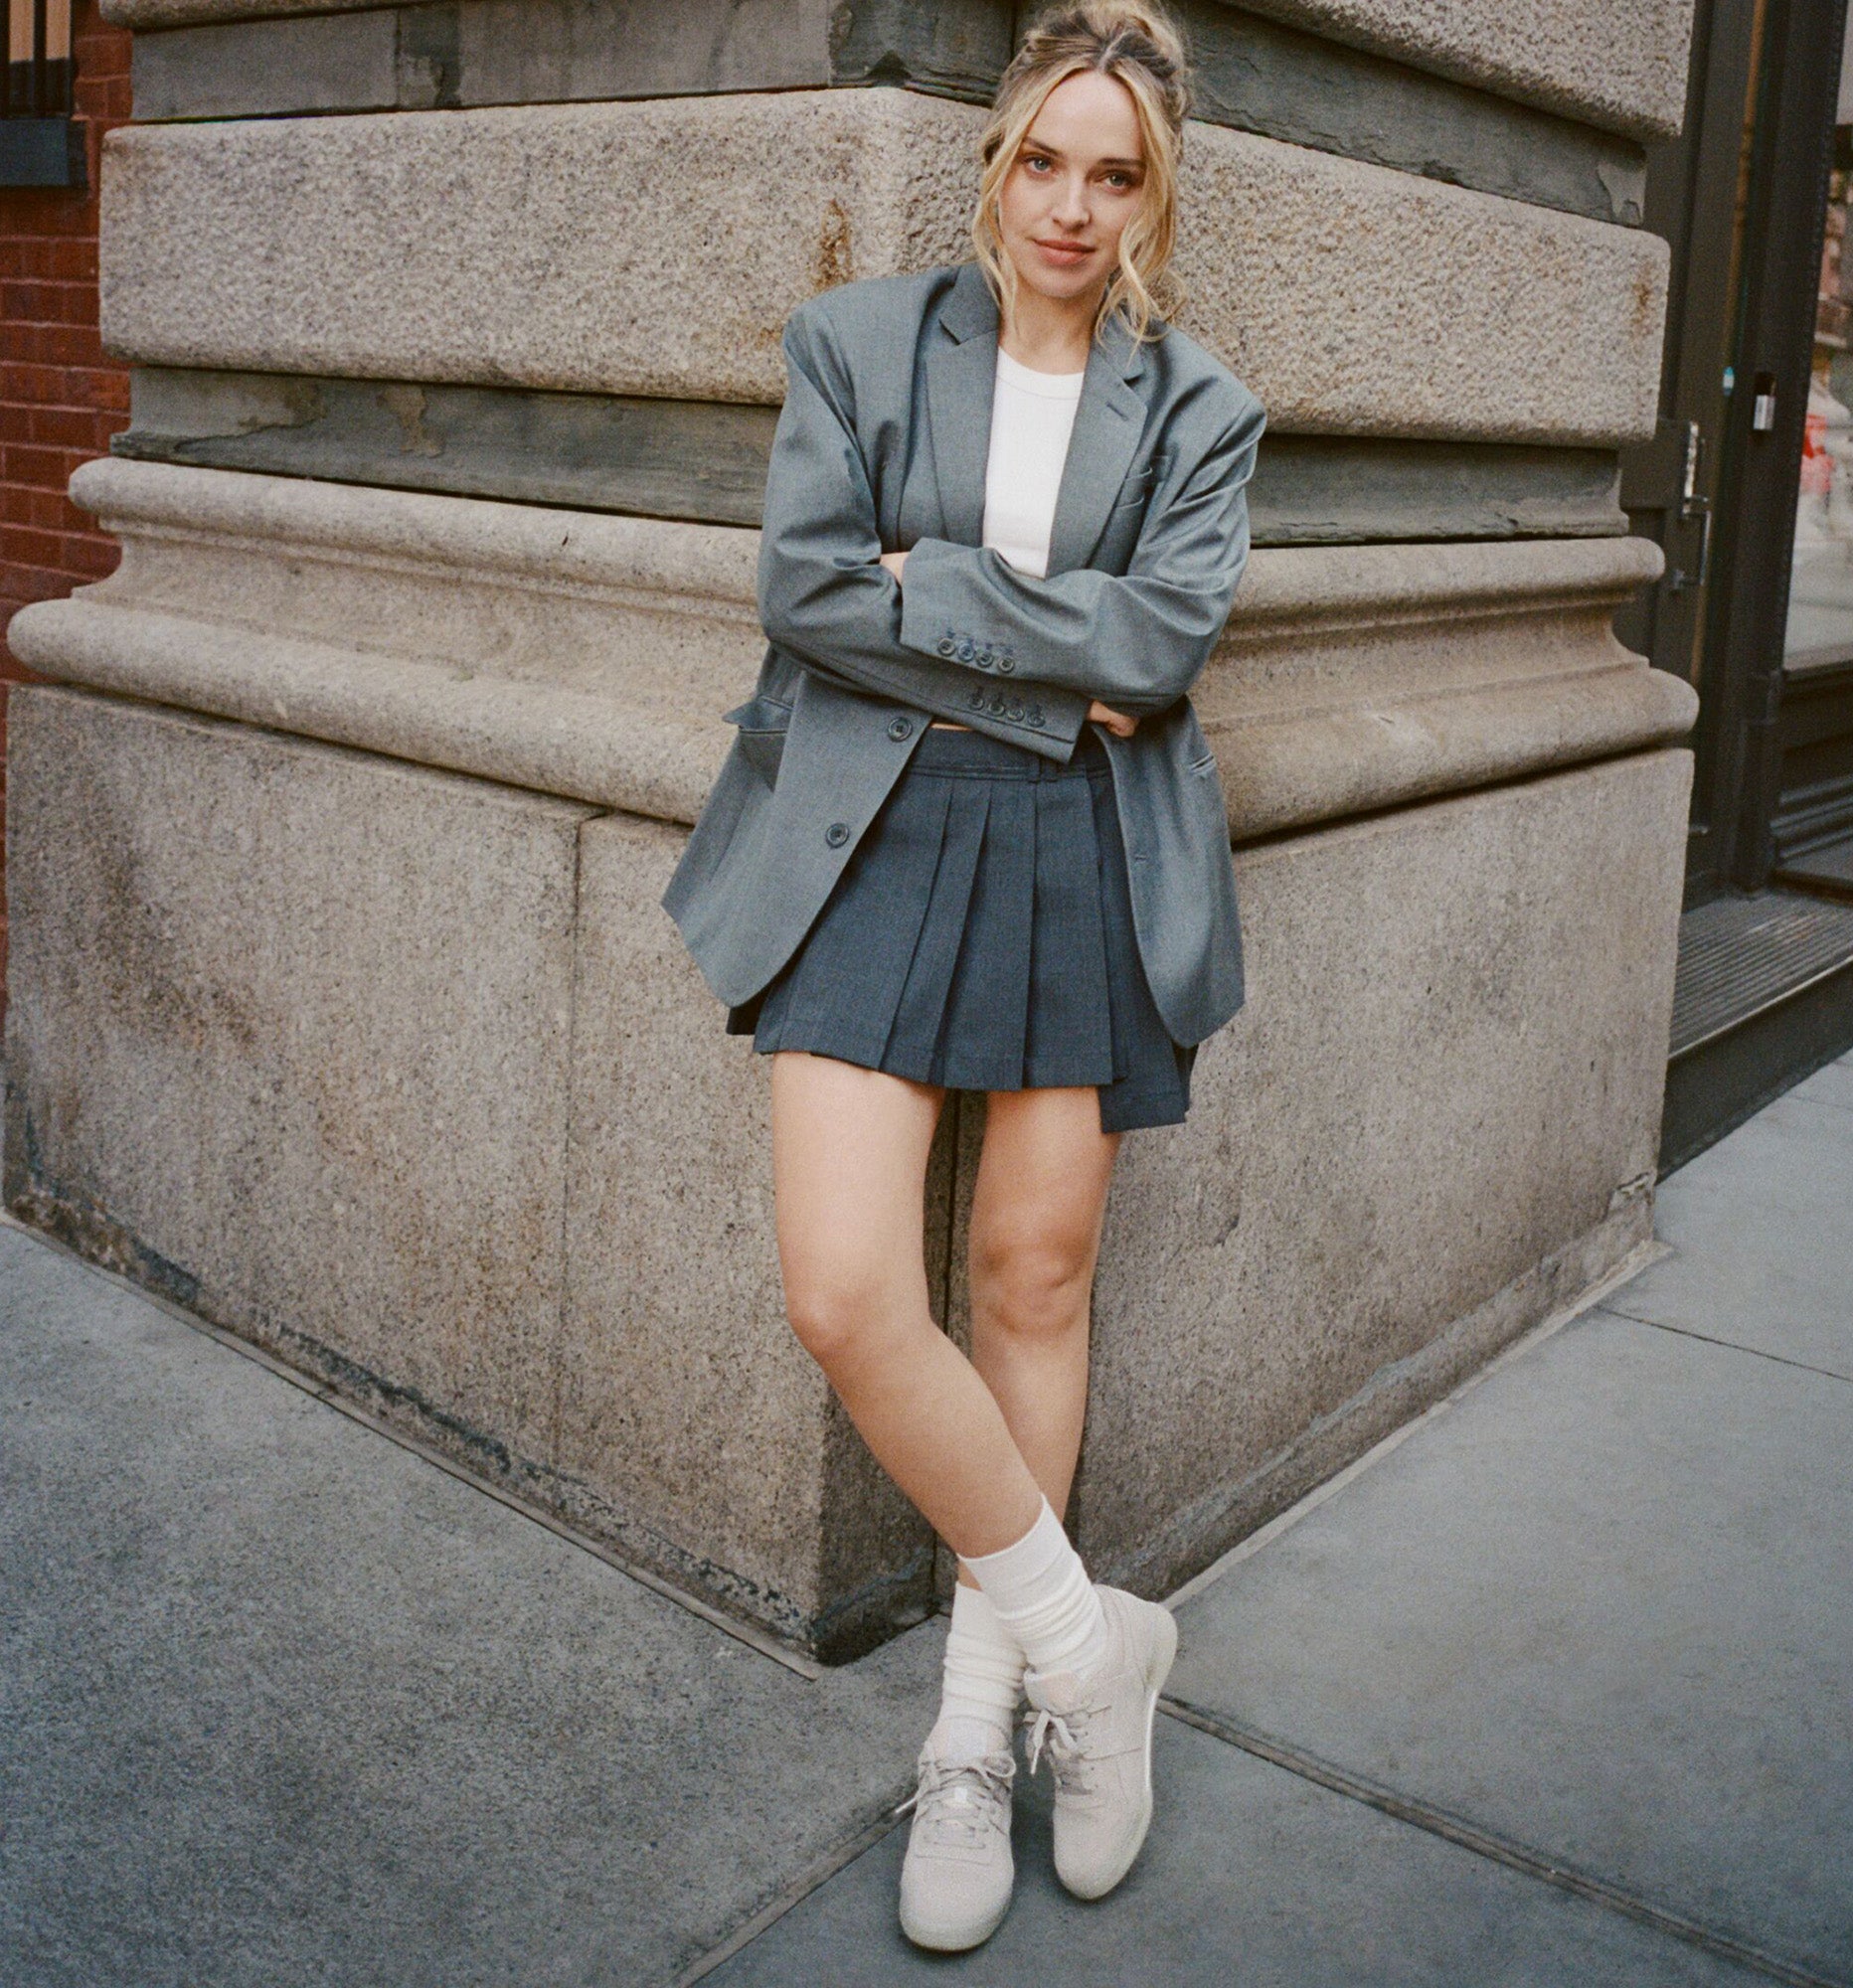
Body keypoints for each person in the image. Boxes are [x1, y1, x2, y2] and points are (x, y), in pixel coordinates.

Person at [663, 0, 1264, 1952]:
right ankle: (1098, 1650)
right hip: (869, 837)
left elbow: (1155, 651)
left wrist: (941, 593)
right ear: (993, 155)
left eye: (1115, 173)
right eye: (1043, 159)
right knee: (848, 1288)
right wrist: (1042, 649)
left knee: (1028, 1274)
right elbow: (808, 590)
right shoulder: (854, 346)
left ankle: (973, 1729)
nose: (1071, 206)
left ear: (1150, 192)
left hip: (1078, 849)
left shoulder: (1194, 411)